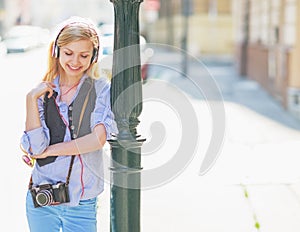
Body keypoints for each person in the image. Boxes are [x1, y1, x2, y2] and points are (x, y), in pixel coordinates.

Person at [20, 16, 118, 232]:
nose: (75, 62)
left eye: (83, 55)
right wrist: (30, 99)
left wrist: (50, 151)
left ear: (94, 56)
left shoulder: (101, 89)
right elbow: (36, 148)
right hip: (42, 198)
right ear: (56, 52)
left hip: (81, 204)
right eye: (68, 53)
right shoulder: (42, 92)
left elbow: (97, 139)